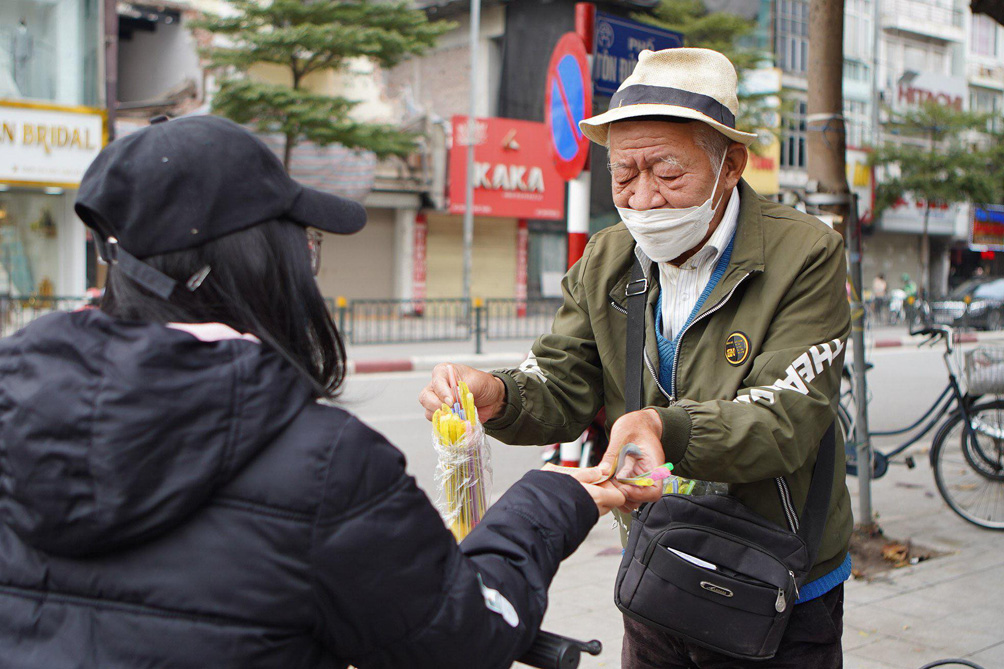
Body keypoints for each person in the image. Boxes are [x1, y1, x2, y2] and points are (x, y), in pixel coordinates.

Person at [0, 115, 626, 668]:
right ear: (257, 262)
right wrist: (551, 500)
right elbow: (464, 637)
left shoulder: (15, 405)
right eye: (301, 245)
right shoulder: (325, 465)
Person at [420, 48, 852, 668]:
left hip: (778, 574)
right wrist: (499, 393)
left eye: (668, 173)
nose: (644, 198)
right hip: (657, 566)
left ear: (731, 164)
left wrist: (661, 427)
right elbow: (563, 380)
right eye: (625, 174)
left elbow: (785, 417)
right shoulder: (607, 259)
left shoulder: (805, 254)